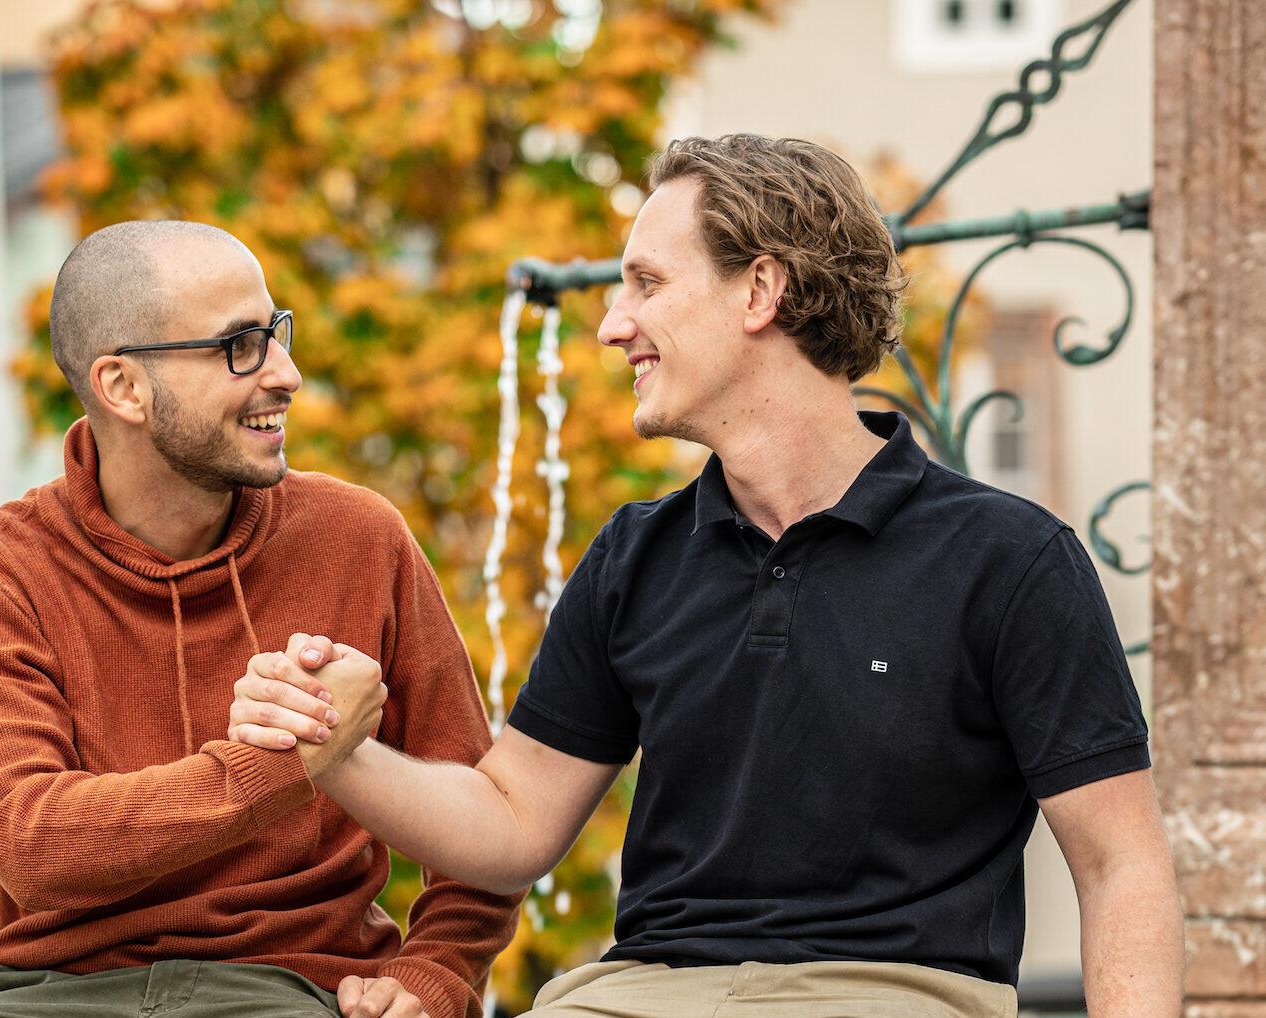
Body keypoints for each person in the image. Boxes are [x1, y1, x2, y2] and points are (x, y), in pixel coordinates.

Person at [234, 136, 1184, 1018]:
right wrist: (337, 748)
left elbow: (1118, 864)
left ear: (760, 289)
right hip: (641, 991)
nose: (613, 325)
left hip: (890, 993)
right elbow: (511, 823)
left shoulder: (1008, 559)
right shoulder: (634, 556)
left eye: (647, 283)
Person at [0, 220, 522, 1018]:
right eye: (239, 345)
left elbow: (483, 828)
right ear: (122, 387)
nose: (287, 373)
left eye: (275, 332)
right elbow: (34, 842)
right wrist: (288, 761)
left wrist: (434, 979)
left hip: (302, 988)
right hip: (55, 994)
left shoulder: (359, 539)